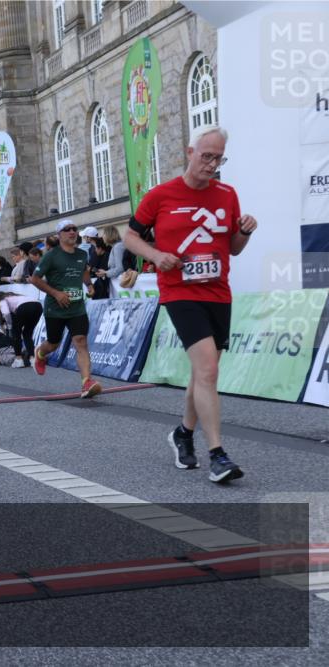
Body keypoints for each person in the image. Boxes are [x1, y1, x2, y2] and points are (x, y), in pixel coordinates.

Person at [124, 125, 255, 484]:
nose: (212, 164)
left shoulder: (227, 194)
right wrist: (154, 254)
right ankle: (218, 455)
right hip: (180, 292)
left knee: (202, 373)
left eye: (219, 158)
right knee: (209, 370)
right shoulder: (161, 195)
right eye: (206, 156)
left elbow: (233, 248)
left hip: (217, 292)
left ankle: (183, 433)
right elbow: (129, 235)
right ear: (189, 152)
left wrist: (244, 231)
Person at [29, 220, 102, 399]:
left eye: (74, 229)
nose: (71, 232)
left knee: (81, 341)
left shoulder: (82, 254)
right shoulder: (51, 256)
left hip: (77, 307)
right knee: (54, 343)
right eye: (67, 230)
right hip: (56, 308)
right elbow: (35, 279)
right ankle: (40, 352)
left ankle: (86, 382)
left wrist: (89, 285)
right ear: (59, 235)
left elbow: (84, 271)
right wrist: (56, 293)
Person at [0, 291, 43, 368]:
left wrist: (10, 325)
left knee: (16, 333)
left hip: (24, 307)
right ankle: (33, 359)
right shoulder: (17, 297)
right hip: (38, 306)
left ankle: (18, 359)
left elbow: (6, 313)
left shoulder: (2, 300)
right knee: (27, 333)